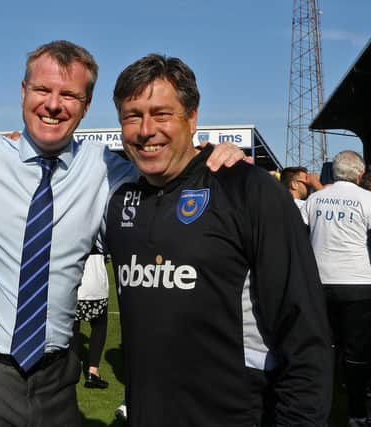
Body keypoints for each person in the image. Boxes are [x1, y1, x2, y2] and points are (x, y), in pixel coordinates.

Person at [0, 40, 247, 427]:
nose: (53, 104)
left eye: (69, 95)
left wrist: (211, 154)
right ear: (23, 92)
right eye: (42, 89)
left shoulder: (108, 169)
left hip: (58, 375)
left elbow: (170, 169)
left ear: (86, 106)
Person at [104, 53, 332, 426]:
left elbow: (304, 334)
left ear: (192, 118)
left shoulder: (248, 190)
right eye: (132, 116)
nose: (146, 130)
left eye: (162, 113)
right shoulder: (119, 197)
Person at [302, 150, 371, 427]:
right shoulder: (367, 199)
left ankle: (323, 410)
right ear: (360, 174)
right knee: (357, 353)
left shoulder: (315, 199)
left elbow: (301, 231)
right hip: (358, 284)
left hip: (319, 284)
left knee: (325, 349)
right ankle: (356, 412)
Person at [72, 253, 109, 388]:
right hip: (95, 282)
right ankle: (93, 372)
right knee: (100, 325)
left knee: (72, 328)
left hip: (73, 282)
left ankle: (72, 369)